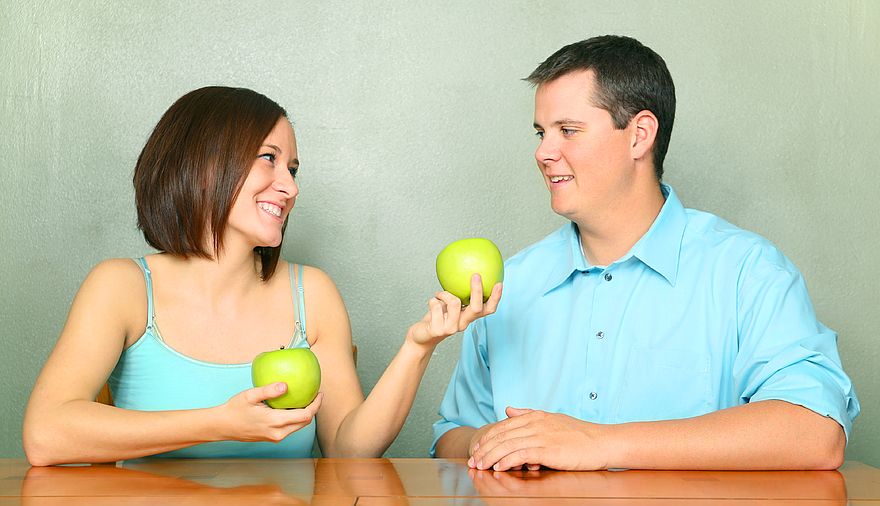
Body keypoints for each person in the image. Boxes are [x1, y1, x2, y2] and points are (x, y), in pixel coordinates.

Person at [432, 35, 859, 471]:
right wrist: (499, 441)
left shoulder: (746, 271)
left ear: (639, 135)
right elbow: (451, 434)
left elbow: (816, 432)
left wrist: (600, 445)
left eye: (569, 131)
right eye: (542, 133)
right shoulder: (512, 283)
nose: (543, 152)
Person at [23, 86, 501, 466]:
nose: (290, 187)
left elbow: (348, 450)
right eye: (268, 159)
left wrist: (419, 346)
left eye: (292, 168)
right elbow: (46, 435)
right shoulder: (121, 287)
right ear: (205, 162)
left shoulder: (311, 293)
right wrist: (219, 422)